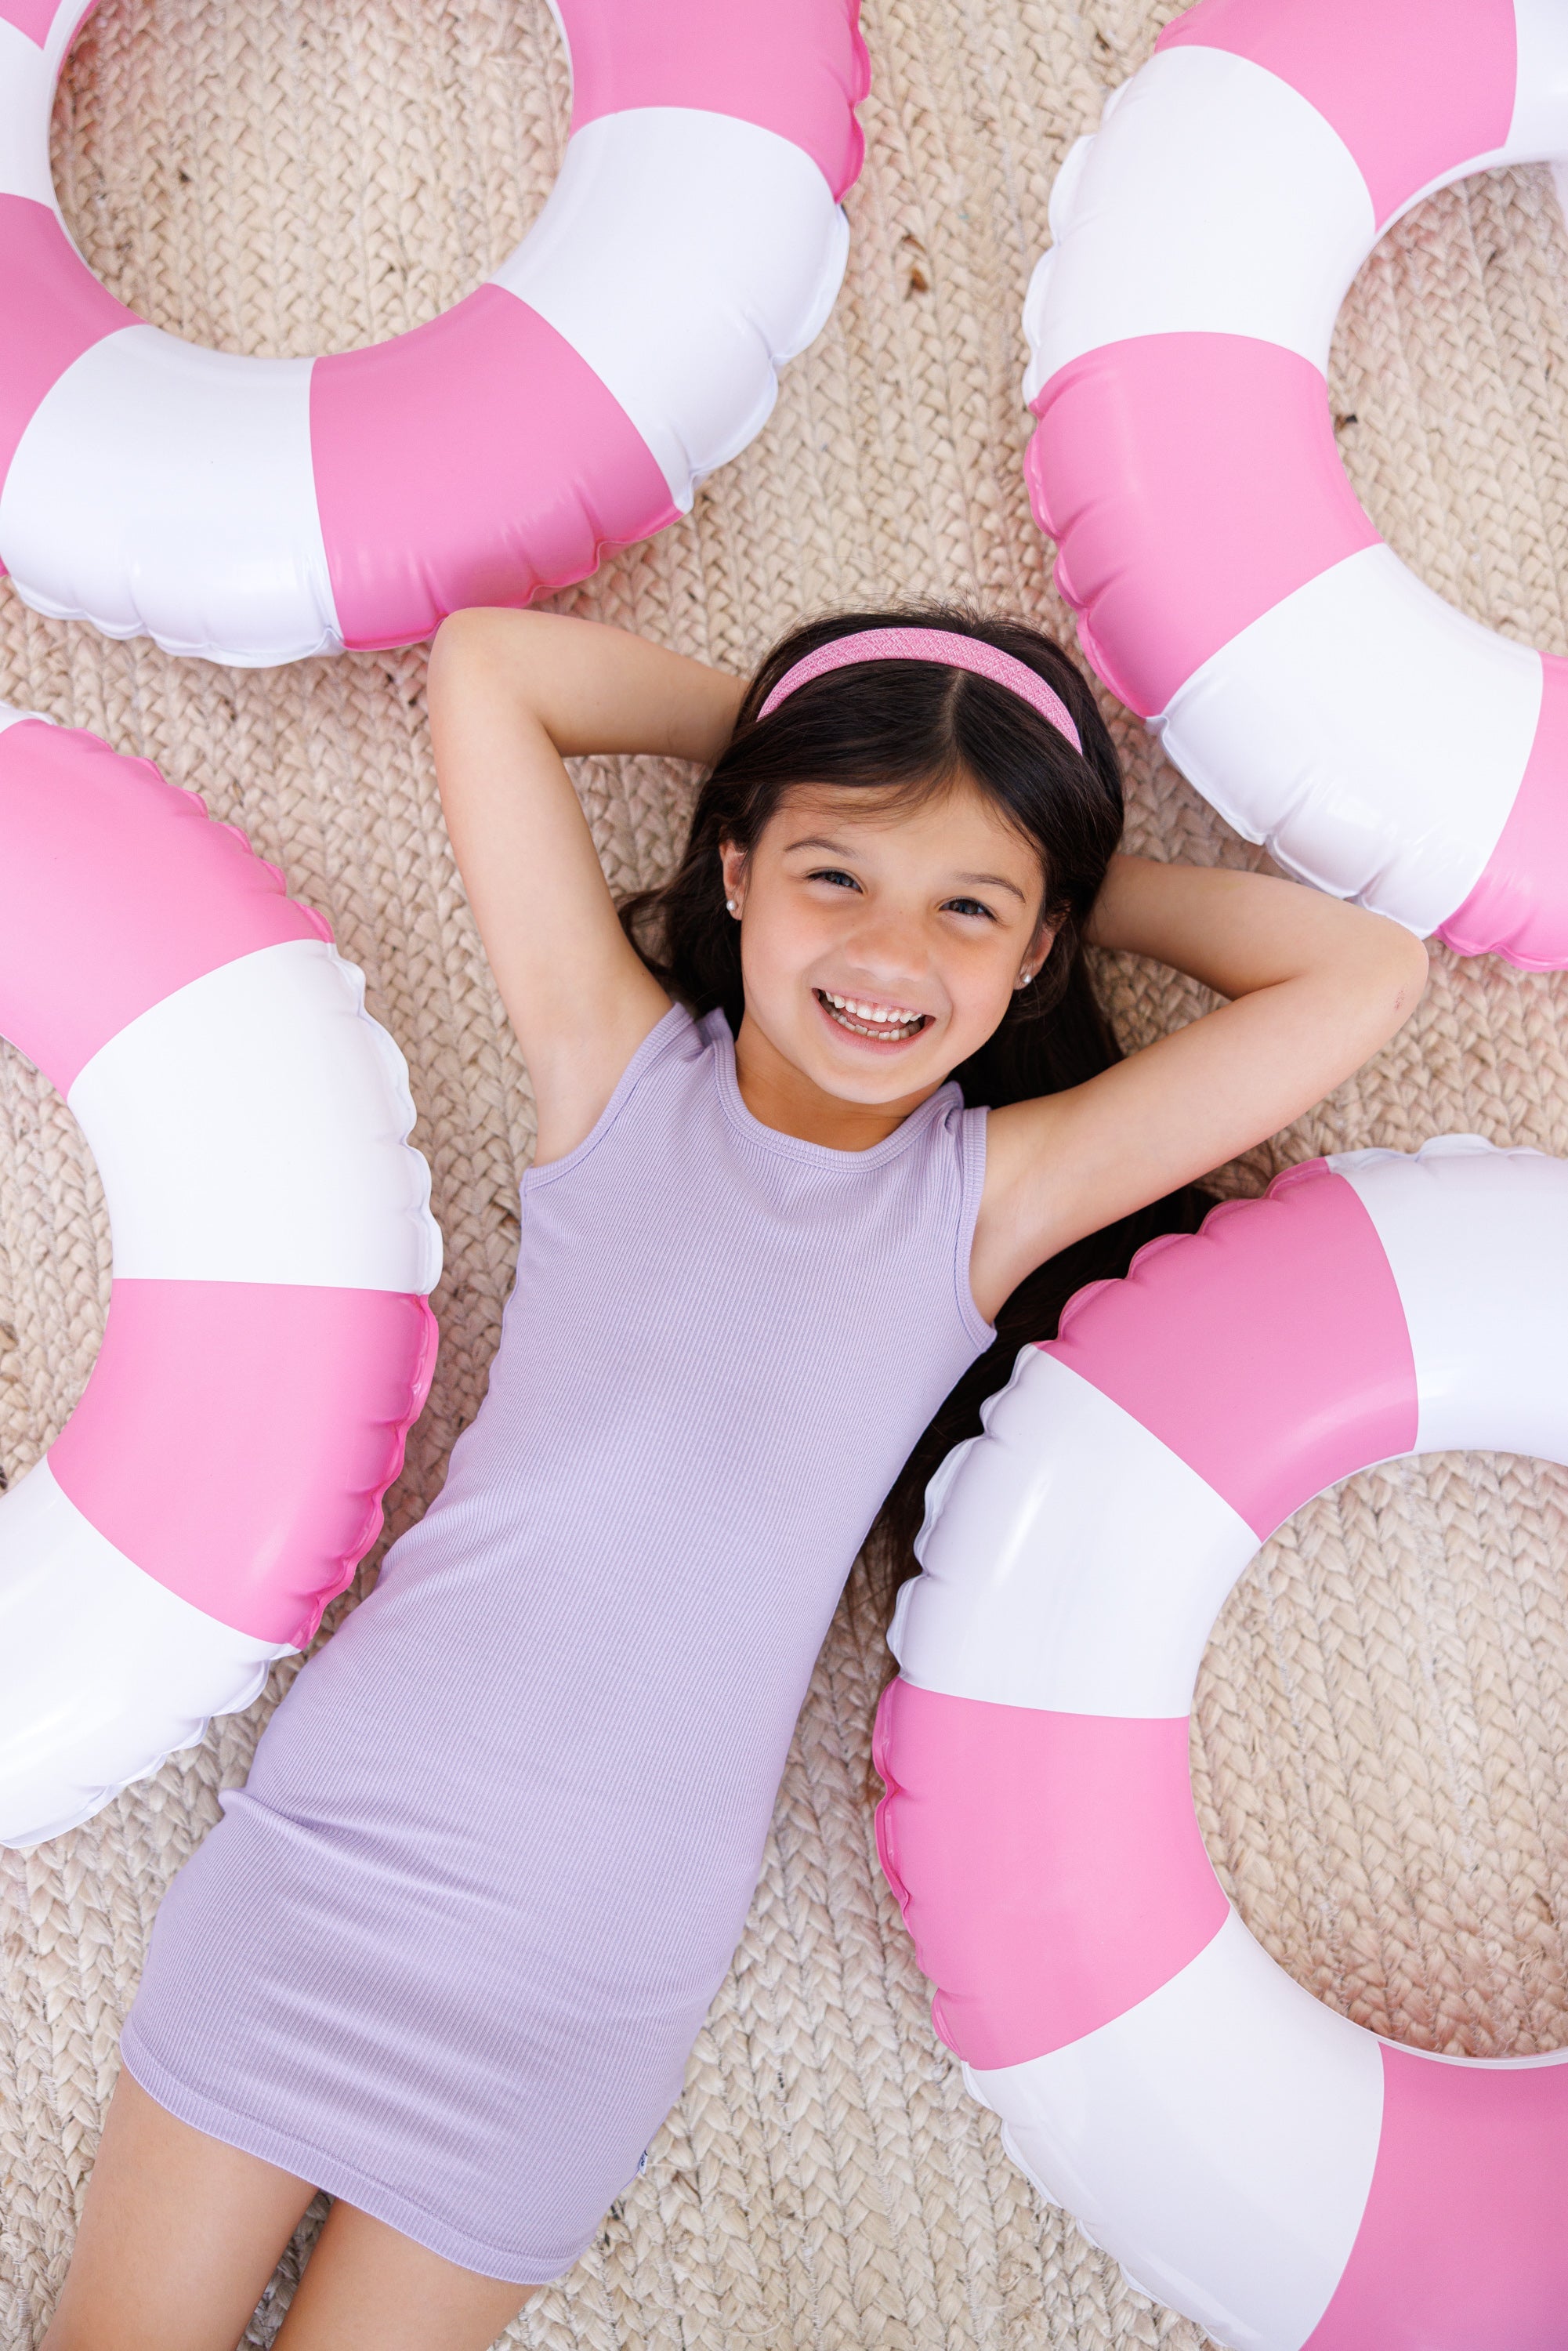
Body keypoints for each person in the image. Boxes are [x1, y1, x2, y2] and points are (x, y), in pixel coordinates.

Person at [42, 606, 1427, 2351]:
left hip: (581, 2001)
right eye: (832, 873)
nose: (888, 950)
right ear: (737, 867)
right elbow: (488, 668)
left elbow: (1366, 977)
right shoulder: (608, 1062)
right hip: (335, 1866)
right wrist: (812, 743)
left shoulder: (987, 1195)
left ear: (1034, 956)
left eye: (966, 910)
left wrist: (1061, 857)